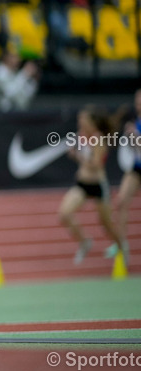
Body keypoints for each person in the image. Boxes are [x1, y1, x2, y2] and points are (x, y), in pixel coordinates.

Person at [58, 107, 127, 265]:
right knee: (64, 214)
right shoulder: (81, 135)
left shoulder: (99, 139)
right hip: (82, 184)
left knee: (106, 224)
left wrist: (77, 156)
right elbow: (81, 154)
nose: (79, 122)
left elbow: (96, 164)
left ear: (92, 123)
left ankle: (122, 247)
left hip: (98, 186)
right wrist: (75, 153)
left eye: (83, 120)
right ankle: (84, 242)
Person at [111, 90, 141, 262]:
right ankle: (122, 246)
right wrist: (130, 138)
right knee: (121, 201)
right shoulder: (135, 122)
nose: (138, 105)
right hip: (136, 169)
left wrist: (135, 138)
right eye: (137, 102)